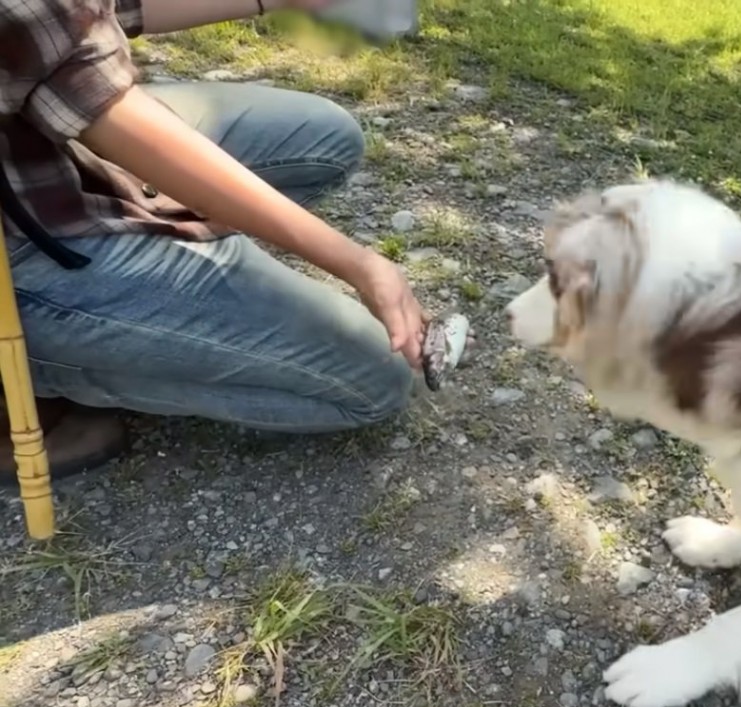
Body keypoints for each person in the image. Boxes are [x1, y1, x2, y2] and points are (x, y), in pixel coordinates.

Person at [0, 0, 428, 481]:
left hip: (46, 155)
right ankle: (34, 375)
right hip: (23, 249)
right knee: (375, 380)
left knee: (324, 138)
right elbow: (121, 126)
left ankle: (175, 319)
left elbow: (95, 17)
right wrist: (358, 262)